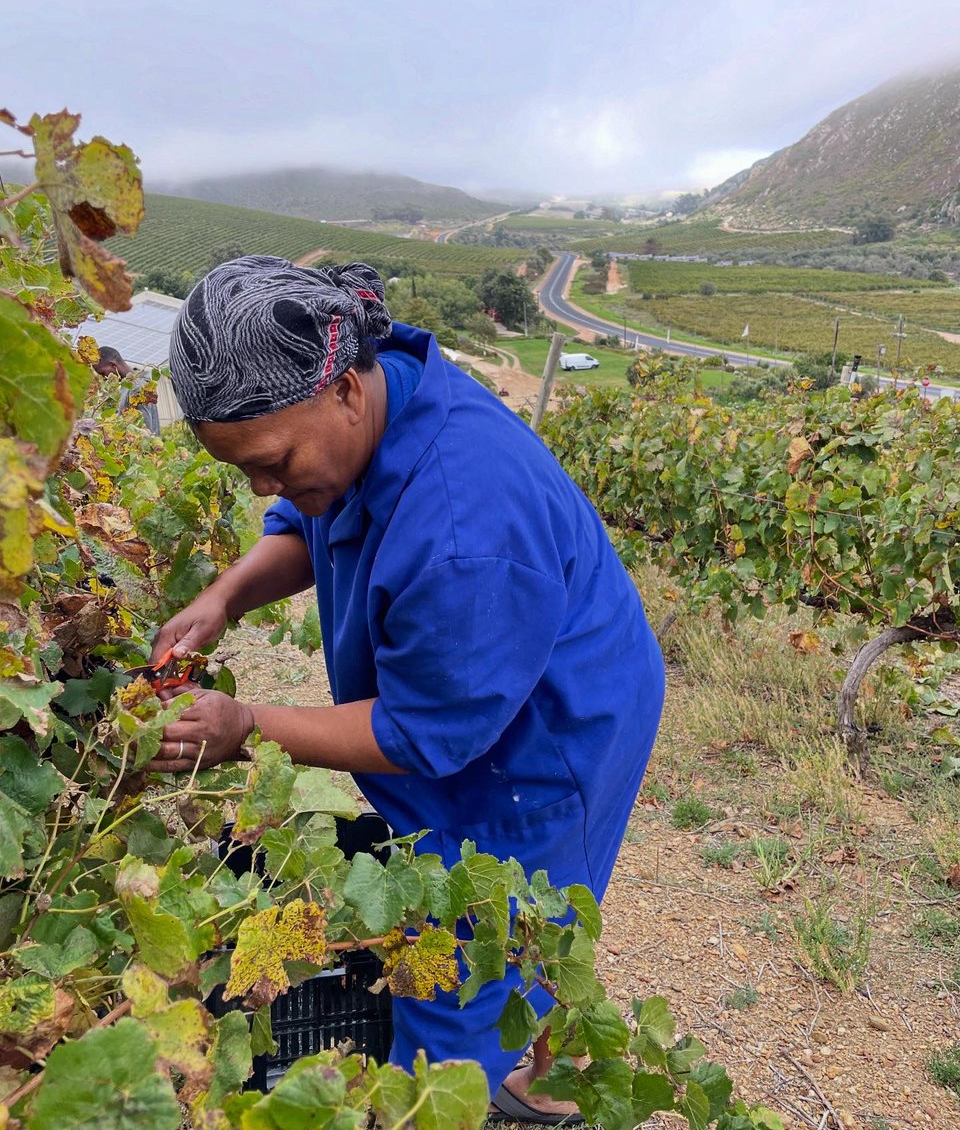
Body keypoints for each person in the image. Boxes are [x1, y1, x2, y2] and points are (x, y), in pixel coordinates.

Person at [151, 255, 665, 1125]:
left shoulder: (466, 522)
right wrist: (224, 595)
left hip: (548, 741)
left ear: (347, 390)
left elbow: (429, 735)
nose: (265, 488)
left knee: (478, 945)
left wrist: (246, 725)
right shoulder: (379, 408)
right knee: (516, 917)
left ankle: (475, 1080)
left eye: (272, 461)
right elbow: (305, 520)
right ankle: (553, 1056)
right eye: (245, 472)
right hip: (486, 684)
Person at [93, 346, 161, 434]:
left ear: (113, 365)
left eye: (103, 373)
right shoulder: (122, 388)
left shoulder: (138, 388)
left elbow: (145, 431)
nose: (104, 378)